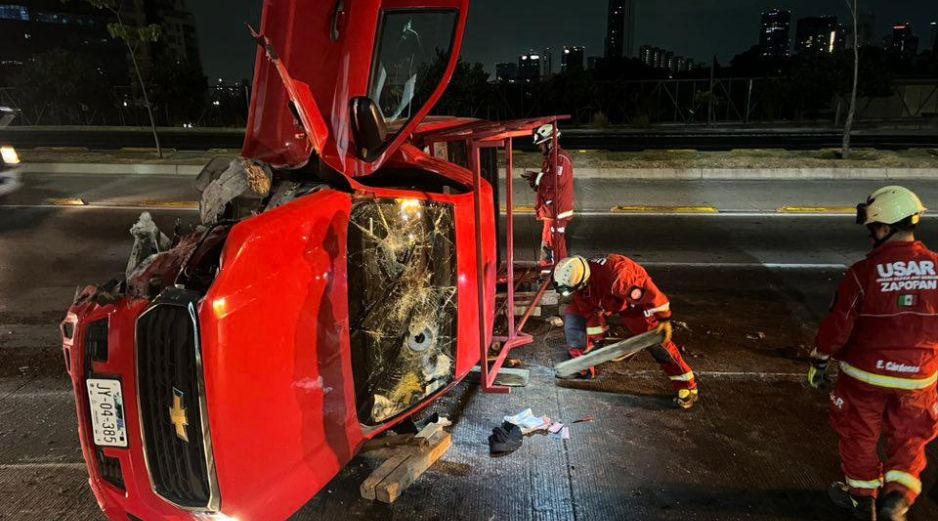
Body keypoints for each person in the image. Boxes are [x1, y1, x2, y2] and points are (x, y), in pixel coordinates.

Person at [808, 186, 937, 521]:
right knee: (910, 439)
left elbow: (838, 326)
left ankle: (863, 499)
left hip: (864, 376)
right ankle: (897, 498)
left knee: (859, 436)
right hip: (919, 377)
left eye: (872, 229)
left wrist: (820, 359)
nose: (870, 236)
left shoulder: (863, 274)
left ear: (884, 227)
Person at [554, 254, 700, 409]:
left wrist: (663, 319)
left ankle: (687, 385)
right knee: (575, 315)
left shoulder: (619, 276)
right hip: (607, 298)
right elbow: (590, 313)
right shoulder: (579, 281)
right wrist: (597, 341)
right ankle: (581, 365)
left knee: (658, 344)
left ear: (582, 282)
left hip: (634, 304)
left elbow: (652, 294)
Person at [522, 124, 574, 273]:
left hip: (557, 210)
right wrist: (536, 182)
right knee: (549, 240)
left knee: (556, 243)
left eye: (541, 145)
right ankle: (547, 270)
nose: (540, 148)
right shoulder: (552, 158)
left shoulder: (560, 159)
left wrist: (536, 177)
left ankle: (560, 273)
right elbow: (548, 183)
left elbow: (555, 181)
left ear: (550, 141)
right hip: (550, 210)